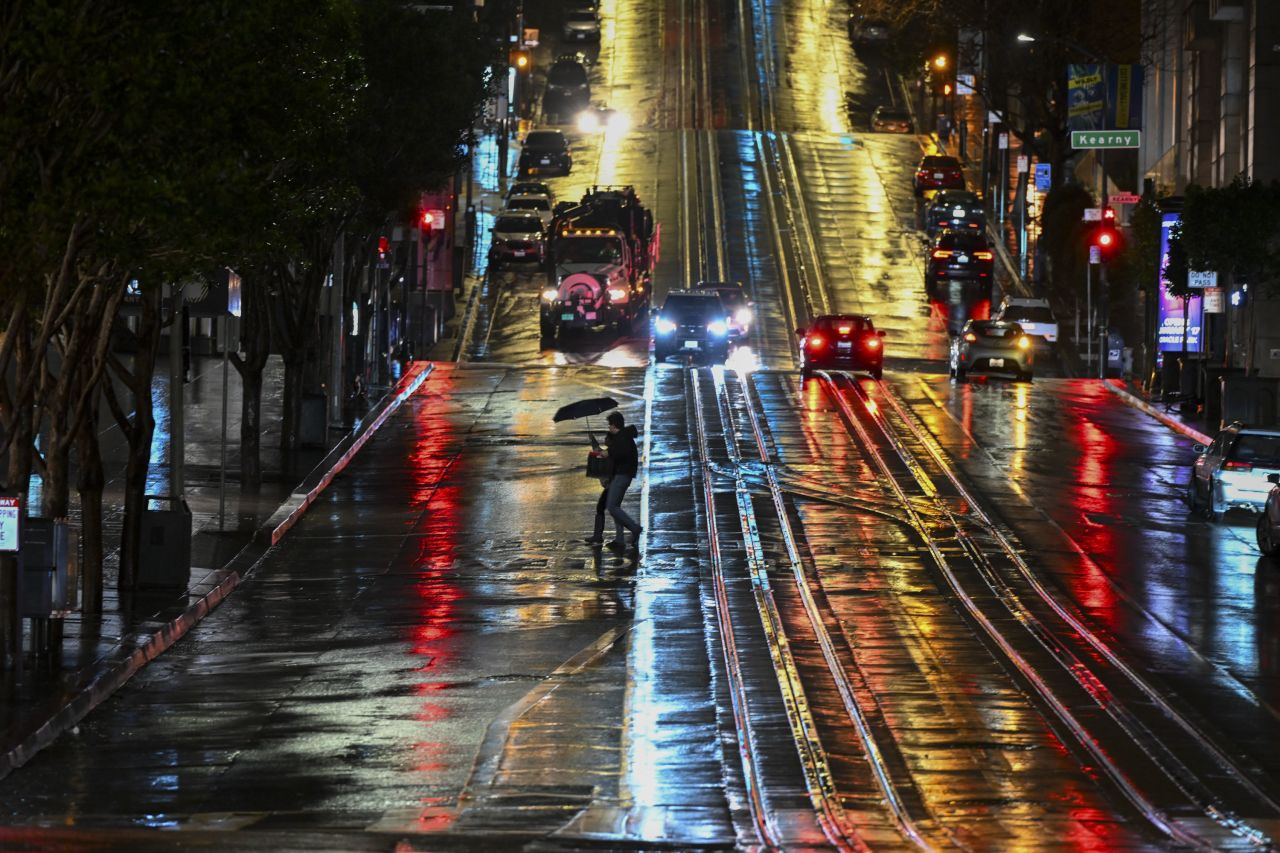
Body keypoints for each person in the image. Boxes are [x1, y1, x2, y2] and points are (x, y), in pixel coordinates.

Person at [585, 411, 643, 551]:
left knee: (612, 506)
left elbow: (619, 453)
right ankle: (619, 539)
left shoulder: (622, 438)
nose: (609, 427)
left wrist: (608, 453)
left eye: (610, 424)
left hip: (621, 476)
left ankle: (634, 528)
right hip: (621, 475)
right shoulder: (622, 437)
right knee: (614, 507)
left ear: (615, 425)